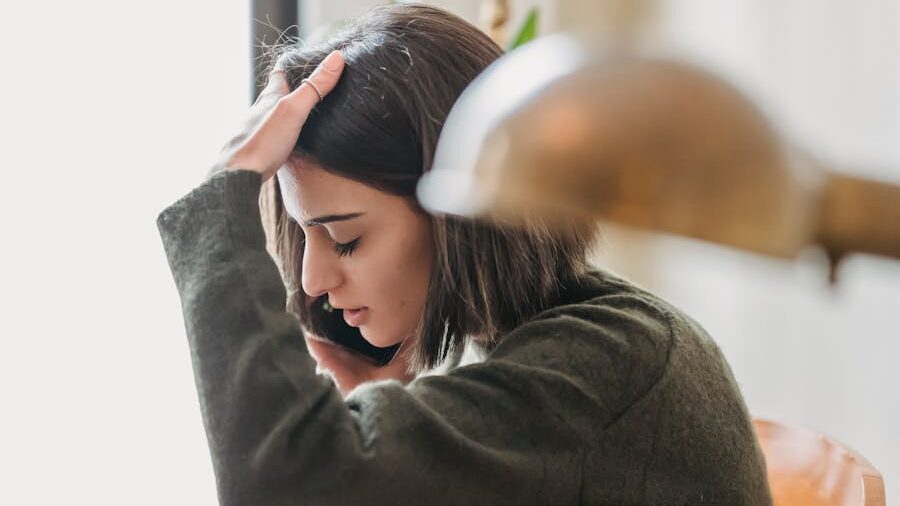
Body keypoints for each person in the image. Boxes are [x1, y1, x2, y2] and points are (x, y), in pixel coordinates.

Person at [157, 3, 772, 505]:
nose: (314, 279)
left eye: (346, 238)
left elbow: (286, 482)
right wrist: (395, 431)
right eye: (308, 235)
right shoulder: (522, 340)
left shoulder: (612, 362)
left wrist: (221, 199)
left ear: (457, 216)